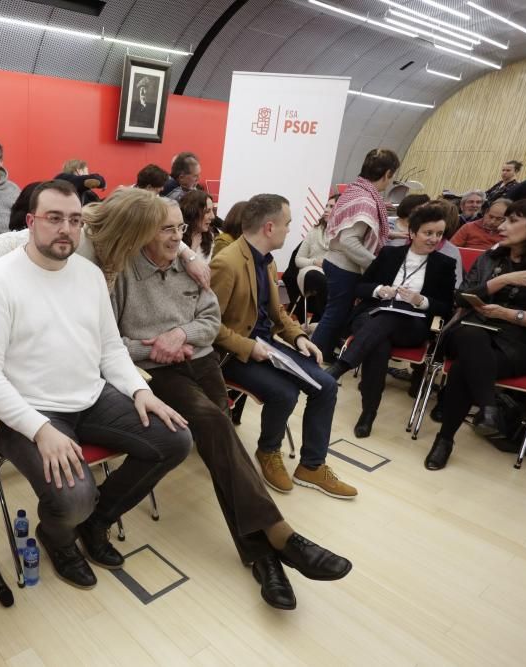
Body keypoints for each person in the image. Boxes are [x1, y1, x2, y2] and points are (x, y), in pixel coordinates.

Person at [112, 197, 352, 610]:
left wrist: (182, 336)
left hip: (201, 361)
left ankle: (265, 561)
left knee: (225, 454)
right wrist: (155, 347)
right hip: (157, 372)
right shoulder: (121, 275)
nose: (176, 238)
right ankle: (282, 536)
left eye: (179, 230)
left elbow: (209, 321)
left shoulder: (194, 266)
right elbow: (108, 343)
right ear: (142, 231)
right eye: (166, 229)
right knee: (215, 426)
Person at [0, 180, 192, 590]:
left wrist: (141, 391)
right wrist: (40, 429)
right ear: (30, 223)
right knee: (73, 499)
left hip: (90, 396)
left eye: (73, 219)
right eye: (54, 218)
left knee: (174, 440)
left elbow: (109, 348)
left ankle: (96, 522)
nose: (66, 228)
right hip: (28, 410)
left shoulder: (88, 275)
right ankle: (58, 536)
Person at [210, 194, 356, 499]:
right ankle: (268, 451)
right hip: (233, 354)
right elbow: (209, 326)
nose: (290, 229)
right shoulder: (227, 262)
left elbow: (277, 315)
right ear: (269, 226)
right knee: (285, 392)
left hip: (265, 346)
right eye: (287, 224)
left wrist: (299, 337)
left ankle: (311, 466)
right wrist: (249, 347)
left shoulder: (267, 261)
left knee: (326, 385)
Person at [424, 198, 526, 471]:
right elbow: (460, 299)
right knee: (471, 337)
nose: (502, 226)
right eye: (504, 219)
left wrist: (509, 314)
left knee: (462, 370)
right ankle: (488, 409)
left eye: (512, 221)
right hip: (470, 329)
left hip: (517, 344)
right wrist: (501, 281)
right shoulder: (490, 258)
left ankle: (445, 440)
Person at [325, 203, 456, 437]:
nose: (434, 239)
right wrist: (379, 291)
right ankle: (368, 413)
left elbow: (446, 306)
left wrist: (420, 300)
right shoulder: (389, 254)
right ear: (412, 233)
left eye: (439, 234)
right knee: (380, 342)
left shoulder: (445, 264)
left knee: (389, 319)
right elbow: (361, 287)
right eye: (428, 233)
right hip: (372, 315)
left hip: (411, 325)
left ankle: (342, 366)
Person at [0, 189, 212, 301]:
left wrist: (188, 255)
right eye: (153, 230)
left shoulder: (125, 243)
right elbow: (12, 239)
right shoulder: (79, 237)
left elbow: (168, 238)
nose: (168, 235)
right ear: (131, 232)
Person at [312, 148, 400, 362]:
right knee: (335, 315)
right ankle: (314, 357)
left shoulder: (356, 190)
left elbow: (355, 231)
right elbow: (349, 240)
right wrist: (376, 265)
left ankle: (322, 353)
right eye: (393, 176)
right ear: (388, 173)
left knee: (336, 313)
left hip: (336, 262)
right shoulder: (367, 200)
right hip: (344, 266)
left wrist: (397, 234)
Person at [291, 193, 339, 323]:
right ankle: (328, 322)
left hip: (332, 275)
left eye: (331, 207)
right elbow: (298, 259)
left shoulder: (344, 235)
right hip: (310, 271)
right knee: (316, 277)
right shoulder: (314, 231)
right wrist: (315, 262)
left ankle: (320, 322)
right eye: (326, 206)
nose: (326, 209)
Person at [180, 189, 216, 264]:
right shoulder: (177, 238)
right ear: (192, 213)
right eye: (207, 211)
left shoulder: (209, 236)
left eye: (212, 210)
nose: (213, 216)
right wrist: (192, 249)